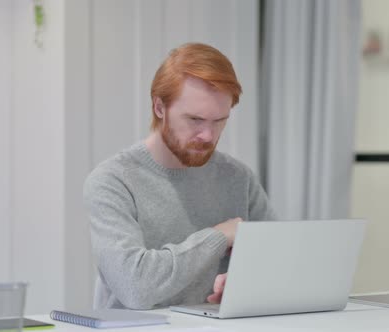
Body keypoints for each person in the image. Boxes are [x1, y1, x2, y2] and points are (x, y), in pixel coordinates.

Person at [83, 43, 276, 310]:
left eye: (219, 120)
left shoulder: (238, 178)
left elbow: (277, 260)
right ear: (159, 107)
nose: (208, 135)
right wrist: (218, 237)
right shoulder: (113, 181)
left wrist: (246, 282)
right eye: (195, 120)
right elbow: (135, 287)